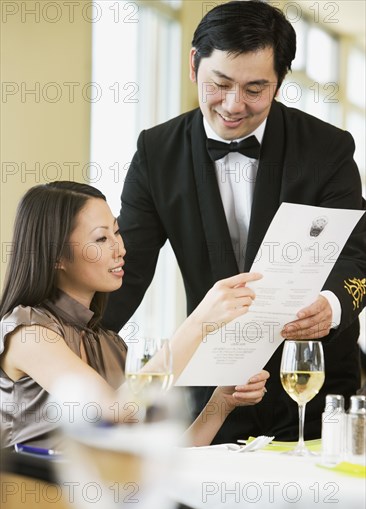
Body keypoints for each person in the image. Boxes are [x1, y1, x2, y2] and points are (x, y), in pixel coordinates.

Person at [103, 0, 366, 443]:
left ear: (280, 83)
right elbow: (124, 271)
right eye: (219, 84)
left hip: (312, 383)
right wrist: (65, 334)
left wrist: (331, 305)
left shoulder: (327, 148)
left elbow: (357, 254)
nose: (232, 105)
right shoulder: (156, 152)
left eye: (254, 89)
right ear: (193, 64)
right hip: (212, 393)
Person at [0, 181, 269, 448]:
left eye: (117, 233)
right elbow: (115, 411)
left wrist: (221, 402)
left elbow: (154, 457)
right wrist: (198, 324)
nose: (120, 249)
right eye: (102, 238)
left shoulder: (110, 343)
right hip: (35, 490)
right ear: (57, 255)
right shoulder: (27, 334)